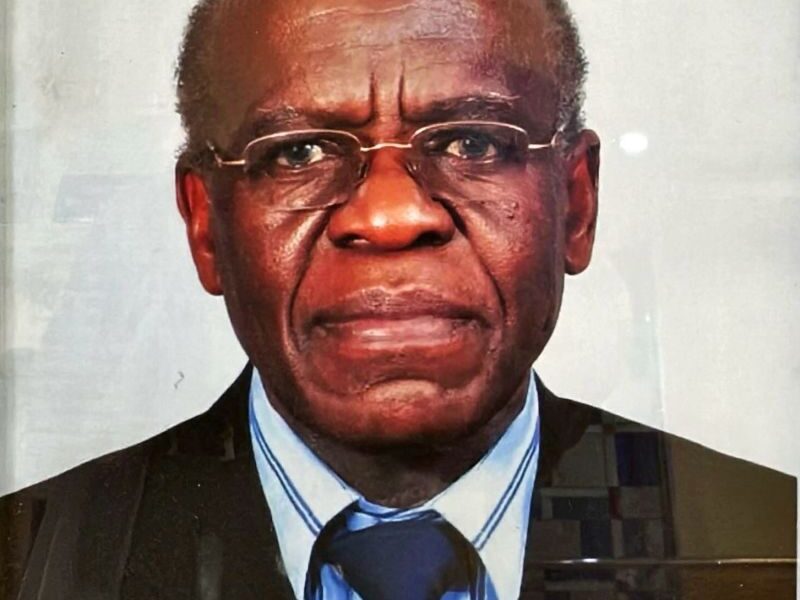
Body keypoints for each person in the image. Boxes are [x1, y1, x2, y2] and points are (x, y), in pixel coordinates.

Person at [0, 0, 796, 598]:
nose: (389, 215)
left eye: (473, 142)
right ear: (206, 224)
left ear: (576, 205)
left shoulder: (774, 542)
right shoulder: (31, 561)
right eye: (299, 152)